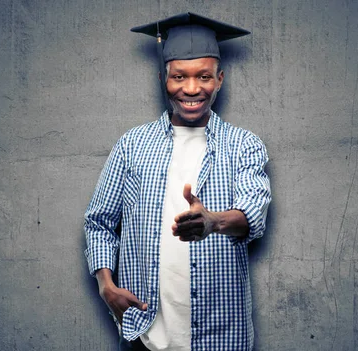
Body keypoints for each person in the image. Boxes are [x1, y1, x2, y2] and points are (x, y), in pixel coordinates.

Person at [84, 12, 271, 351]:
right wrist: (105, 284)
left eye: (204, 76)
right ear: (163, 78)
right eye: (179, 77)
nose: (191, 88)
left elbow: (252, 214)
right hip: (149, 330)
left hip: (222, 332)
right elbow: (98, 221)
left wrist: (213, 222)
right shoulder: (133, 144)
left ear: (220, 79)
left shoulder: (244, 144)